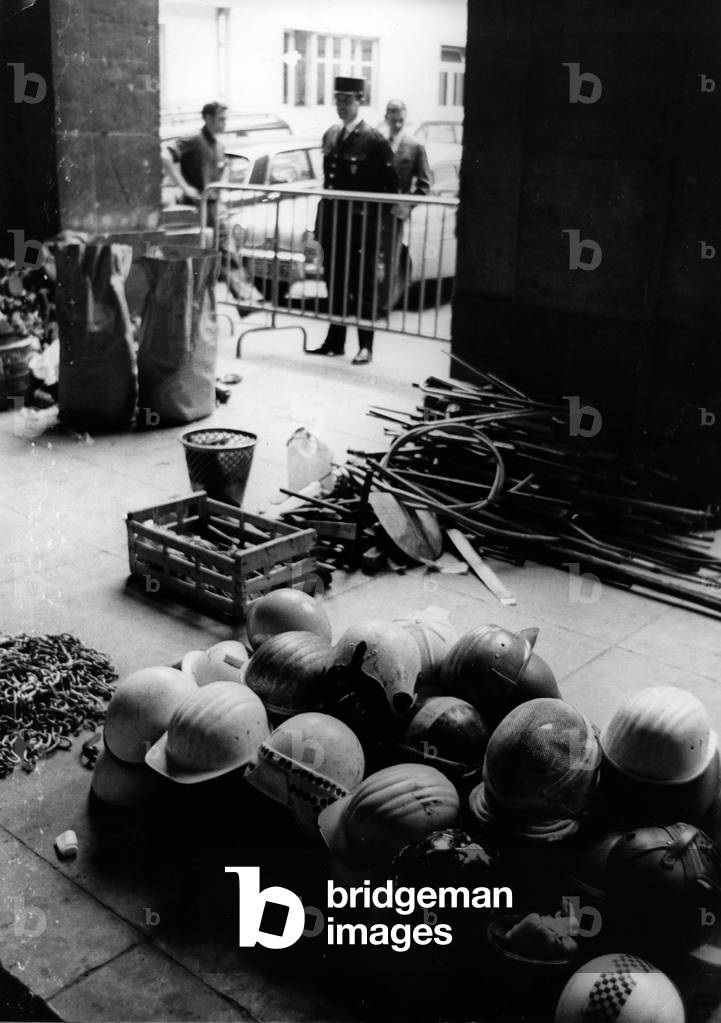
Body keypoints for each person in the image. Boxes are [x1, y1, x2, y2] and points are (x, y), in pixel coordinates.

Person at [307, 76, 399, 365]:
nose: (341, 106)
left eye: (347, 100)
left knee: (363, 286)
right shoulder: (331, 135)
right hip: (334, 224)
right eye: (338, 100)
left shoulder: (373, 139)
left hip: (362, 228)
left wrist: (374, 224)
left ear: (360, 101)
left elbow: (391, 186)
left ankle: (366, 346)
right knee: (334, 283)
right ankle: (335, 341)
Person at [163, 102, 249, 304]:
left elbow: (221, 170)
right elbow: (165, 156)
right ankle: (243, 297)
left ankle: (244, 297)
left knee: (226, 250)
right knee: (214, 254)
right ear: (208, 118)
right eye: (221, 119)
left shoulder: (219, 145)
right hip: (198, 208)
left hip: (215, 206)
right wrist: (184, 187)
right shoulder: (194, 140)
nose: (224, 123)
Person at [381, 99, 432, 311]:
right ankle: (368, 300)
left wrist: (406, 206)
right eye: (394, 120)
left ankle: (383, 305)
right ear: (387, 119)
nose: (398, 125)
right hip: (373, 212)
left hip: (395, 214)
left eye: (401, 120)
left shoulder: (415, 146)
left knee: (392, 259)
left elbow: (425, 185)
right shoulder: (378, 143)